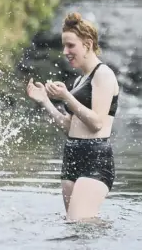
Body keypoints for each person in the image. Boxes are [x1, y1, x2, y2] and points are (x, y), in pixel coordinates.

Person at [26, 12, 119, 221]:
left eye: (71, 46)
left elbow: (96, 123)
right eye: (64, 46)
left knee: (80, 223)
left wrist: (66, 97)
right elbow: (70, 127)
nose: (65, 52)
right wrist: (46, 102)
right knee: (74, 229)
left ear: (87, 44)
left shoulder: (103, 74)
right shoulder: (79, 81)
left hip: (95, 158)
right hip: (72, 157)